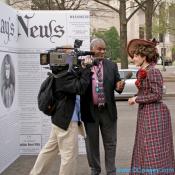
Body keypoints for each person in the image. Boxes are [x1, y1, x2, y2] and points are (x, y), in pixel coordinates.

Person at [29, 48, 92, 175]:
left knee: (49, 150)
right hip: (67, 121)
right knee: (69, 156)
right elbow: (80, 87)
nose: (71, 57)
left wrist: (82, 66)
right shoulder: (63, 76)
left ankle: (35, 173)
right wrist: (87, 69)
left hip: (59, 120)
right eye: (69, 56)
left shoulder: (60, 73)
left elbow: (75, 78)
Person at [127, 39, 175, 174]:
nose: (133, 59)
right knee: (144, 145)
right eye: (134, 56)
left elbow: (157, 95)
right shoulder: (142, 71)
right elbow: (146, 92)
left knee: (152, 147)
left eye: (136, 56)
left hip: (155, 113)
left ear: (144, 56)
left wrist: (137, 99)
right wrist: (136, 97)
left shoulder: (153, 71)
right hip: (146, 113)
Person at [80, 38, 125, 175]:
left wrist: (119, 85)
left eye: (104, 49)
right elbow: (80, 86)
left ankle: (111, 171)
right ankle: (95, 170)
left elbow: (117, 85)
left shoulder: (112, 65)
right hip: (90, 111)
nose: (103, 51)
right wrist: (85, 69)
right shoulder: (83, 64)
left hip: (108, 111)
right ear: (92, 49)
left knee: (110, 143)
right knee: (92, 145)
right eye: (100, 49)